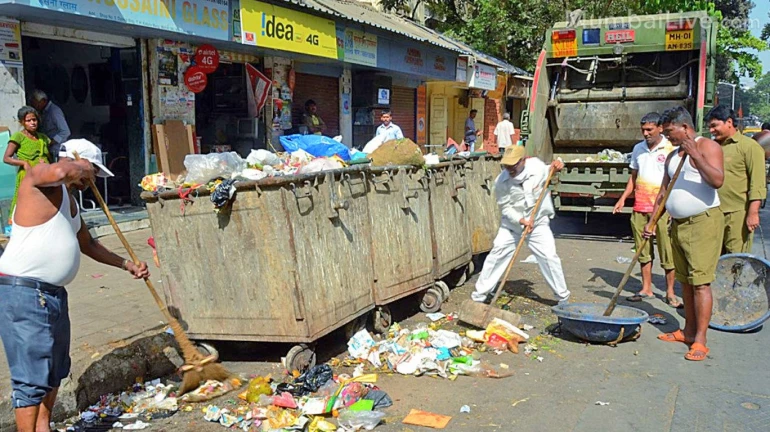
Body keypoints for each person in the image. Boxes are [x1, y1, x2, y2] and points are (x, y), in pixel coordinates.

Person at [0, 139, 150, 432]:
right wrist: (80, 165)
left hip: (53, 295)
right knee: (31, 380)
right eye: (92, 172)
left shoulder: (70, 203)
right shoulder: (39, 180)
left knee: (55, 373)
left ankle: (44, 427)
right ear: (76, 162)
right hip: (26, 293)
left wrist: (127, 265)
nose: (91, 180)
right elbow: (56, 173)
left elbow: (88, 243)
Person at [645, 107, 724, 362]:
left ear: (686, 128)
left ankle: (701, 339)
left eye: (670, 132)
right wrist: (653, 221)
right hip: (677, 225)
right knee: (686, 282)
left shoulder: (708, 147)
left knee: (700, 282)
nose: (668, 138)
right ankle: (688, 332)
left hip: (703, 223)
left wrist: (695, 155)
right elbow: (663, 192)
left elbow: (717, 180)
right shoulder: (672, 157)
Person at [472, 146, 571, 305]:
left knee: (549, 257)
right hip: (512, 226)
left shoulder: (537, 167)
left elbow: (553, 168)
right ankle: (479, 297)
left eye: (514, 164)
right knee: (496, 255)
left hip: (537, 223)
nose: (509, 168)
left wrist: (558, 164)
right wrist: (520, 220)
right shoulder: (501, 182)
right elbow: (505, 208)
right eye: (506, 165)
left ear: (524, 160)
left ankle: (563, 298)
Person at [613, 112, 680, 307]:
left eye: (649, 129)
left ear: (660, 128)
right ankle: (646, 288)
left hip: (662, 210)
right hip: (640, 207)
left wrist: (671, 207)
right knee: (643, 251)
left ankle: (670, 293)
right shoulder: (638, 149)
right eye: (643, 130)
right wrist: (623, 198)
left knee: (667, 252)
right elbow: (634, 177)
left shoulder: (671, 149)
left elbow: (674, 180)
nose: (646, 133)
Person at [705, 105, 766, 254]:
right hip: (712, 213)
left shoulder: (749, 147)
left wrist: (753, 213)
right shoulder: (711, 147)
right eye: (710, 127)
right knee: (711, 259)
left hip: (737, 214)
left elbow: (757, 183)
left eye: (714, 126)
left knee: (736, 259)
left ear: (729, 122)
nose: (711, 131)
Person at [4, 106, 52, 222]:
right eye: (28, 120)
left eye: (34, 120)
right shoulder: (18, 137)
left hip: (44, 176)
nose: (32, 123)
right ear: (22, 122)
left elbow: (48, 156)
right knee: (26, 204)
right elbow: (6, 158)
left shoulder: (43, 138)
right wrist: (24, 163)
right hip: (28, 176)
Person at [29, 89, 71, 162]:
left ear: (43, 101)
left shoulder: (54, 111)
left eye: (36, 103)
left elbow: (65, 132)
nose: (35, 106)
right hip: (50, 151)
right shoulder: (43, 112)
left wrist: (51, 142)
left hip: (57, 151)